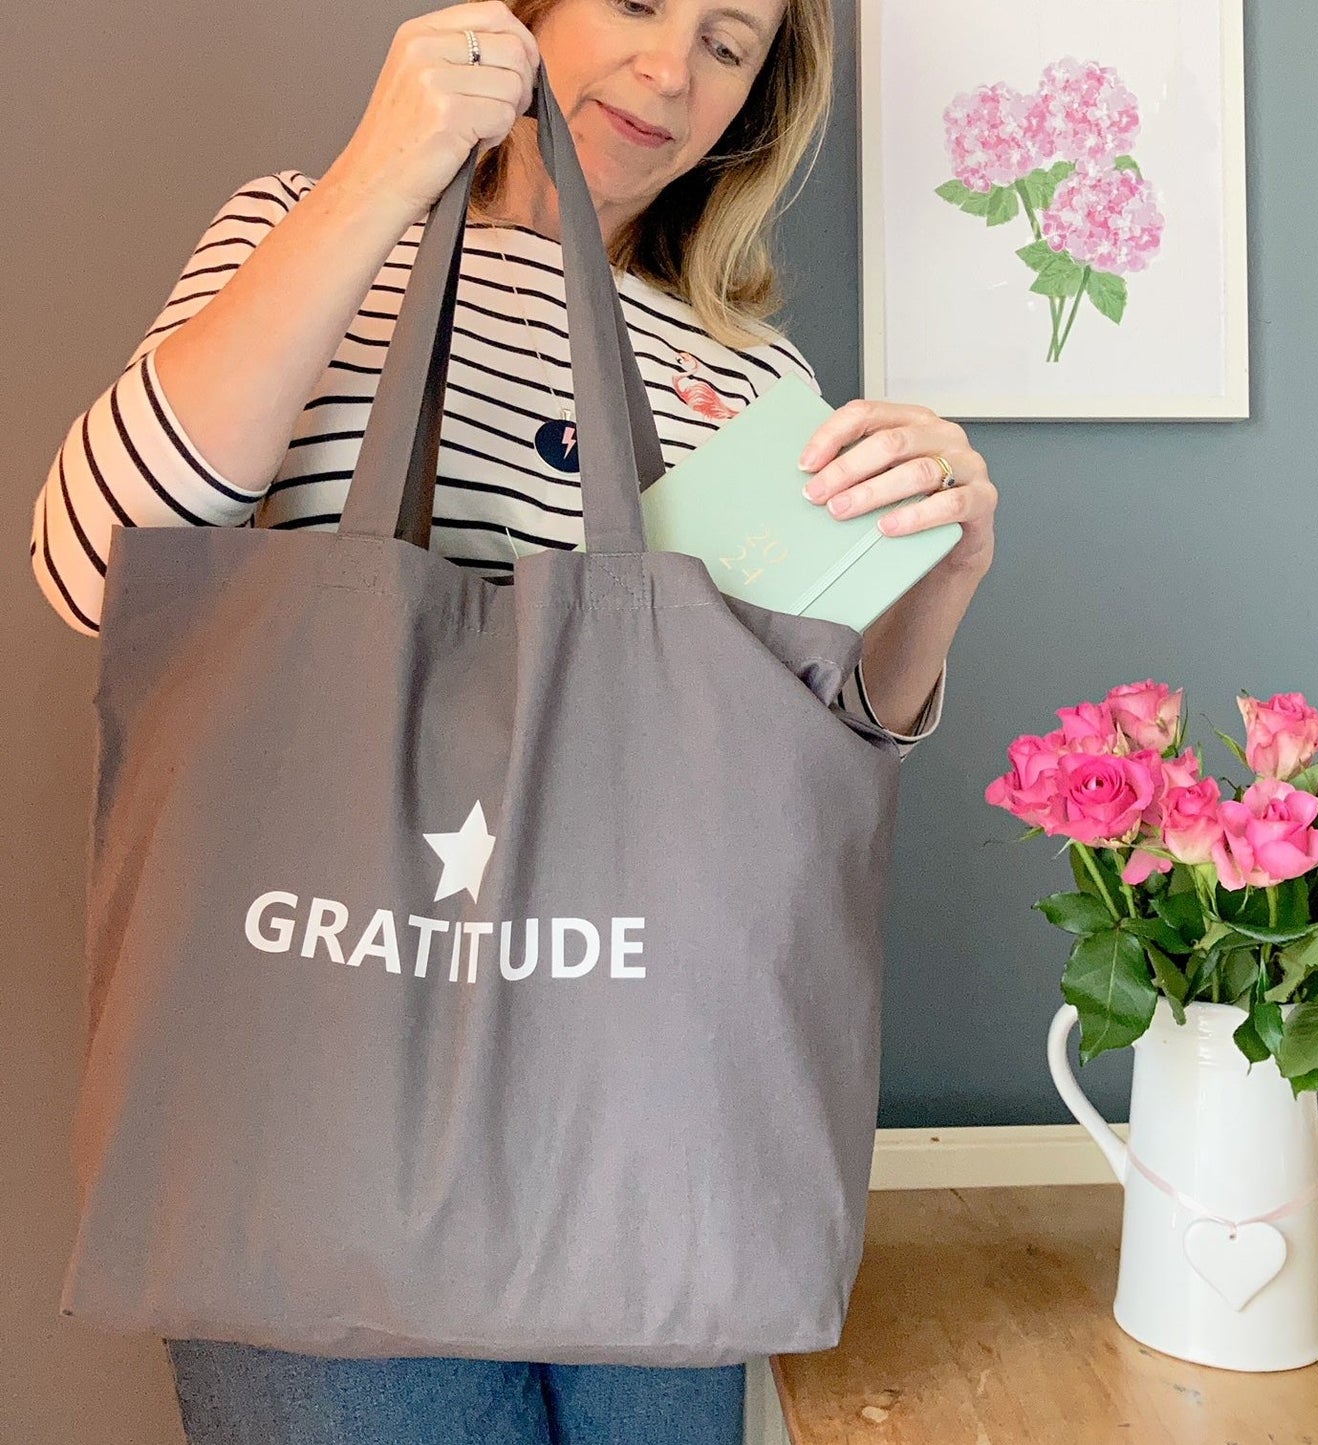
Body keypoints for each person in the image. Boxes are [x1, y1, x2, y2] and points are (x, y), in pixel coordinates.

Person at [29, 1, 997, 1439]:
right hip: (319, 1109)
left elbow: (807, 757)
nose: (669, 70)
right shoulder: (301, 227)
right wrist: (385, 169)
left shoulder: (754, 382)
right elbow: (95, 570)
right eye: (637, 3)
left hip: (652, 1110)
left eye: (728, 43)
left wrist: (942, 573)